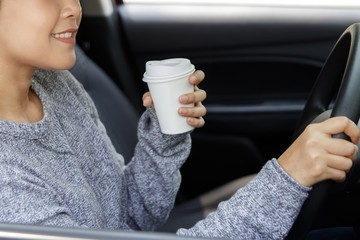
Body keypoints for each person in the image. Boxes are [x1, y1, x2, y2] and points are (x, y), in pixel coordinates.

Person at [0, 1, 358, 240]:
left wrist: (164, 133)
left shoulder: (54, 84)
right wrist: (287, 178)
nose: (73, 8)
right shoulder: (7, 180)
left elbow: (131, 217)